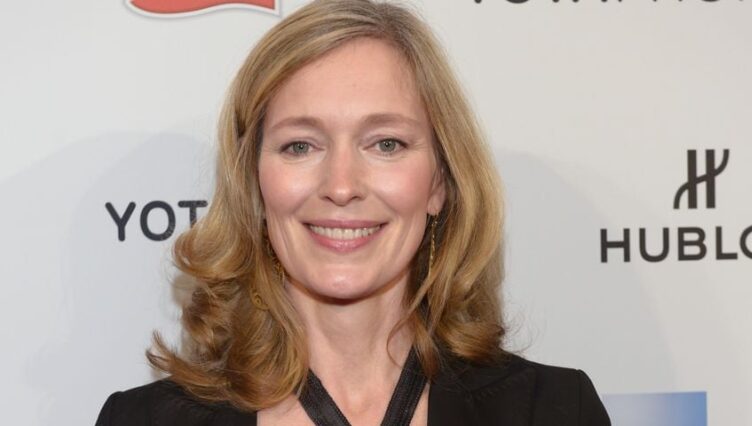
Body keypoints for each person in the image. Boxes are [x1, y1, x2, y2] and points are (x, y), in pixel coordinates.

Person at [96, 0, 611, 425]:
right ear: (254, 184)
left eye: (386, 143)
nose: (341, 187)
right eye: (300, 146)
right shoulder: (143, 420)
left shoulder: (552, 411)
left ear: (439, 183)